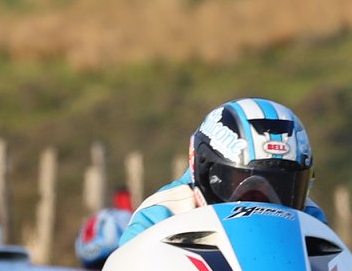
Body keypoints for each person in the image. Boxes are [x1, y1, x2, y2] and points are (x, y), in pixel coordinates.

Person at [118, 98, 325, 246]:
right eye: (240, 181)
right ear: (203, 169)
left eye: (279, 185)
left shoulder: (311, 220)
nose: (258, 202)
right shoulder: (160, 215)